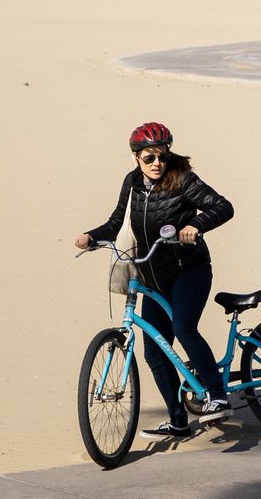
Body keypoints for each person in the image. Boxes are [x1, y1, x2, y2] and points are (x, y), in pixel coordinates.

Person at [73, 122, 235, 437]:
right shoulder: (132, 182)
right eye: (149, 158)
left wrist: (197, 225)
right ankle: (178, 421)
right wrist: (92, 236)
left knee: (184, 329)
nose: (157, 163)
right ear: (136, 158)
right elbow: (118, 221)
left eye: (162, 156)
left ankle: (217, 397)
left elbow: (222, 206)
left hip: (189, 269)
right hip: (152, 276)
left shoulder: (182, 179)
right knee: (153, 352)